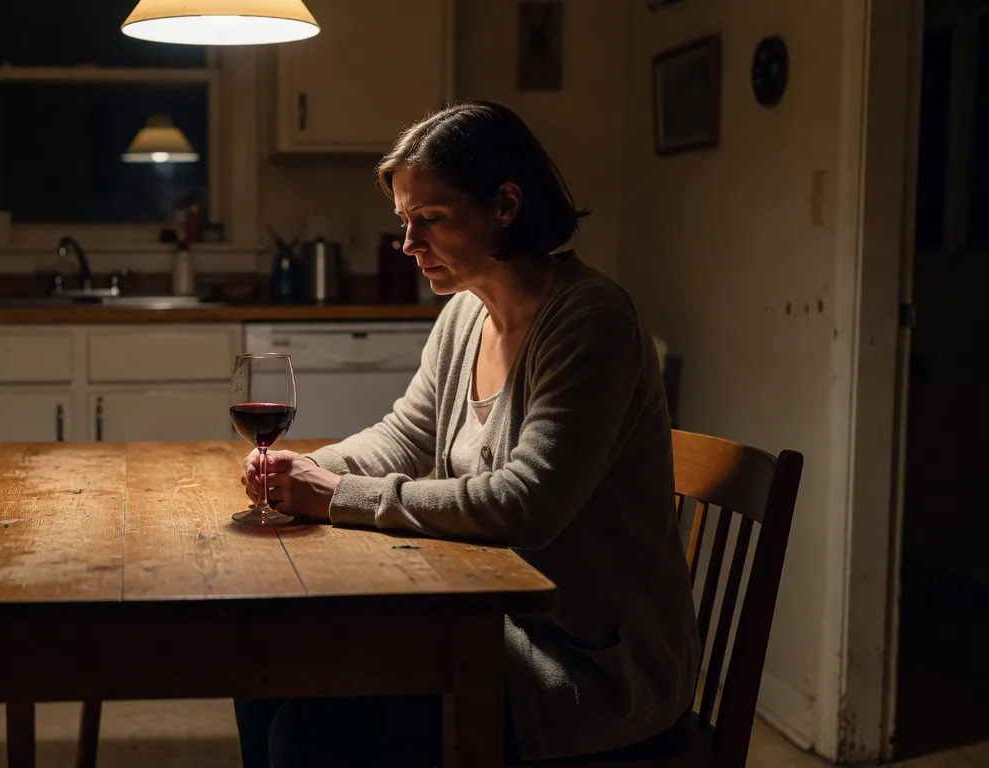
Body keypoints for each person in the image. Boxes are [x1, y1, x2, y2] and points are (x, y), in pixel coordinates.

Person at [235, 101, 701, 767]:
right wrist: (295, 470)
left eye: (430, 220)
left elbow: (526, 502)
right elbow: (405, 435)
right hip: (486, 619)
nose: (408, 244)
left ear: (505, 206)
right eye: (405, 221)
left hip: (585, 666)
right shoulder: (464, 315)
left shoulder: (592, 320)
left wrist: (334, 493)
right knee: (266, 671)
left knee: (310, 734)